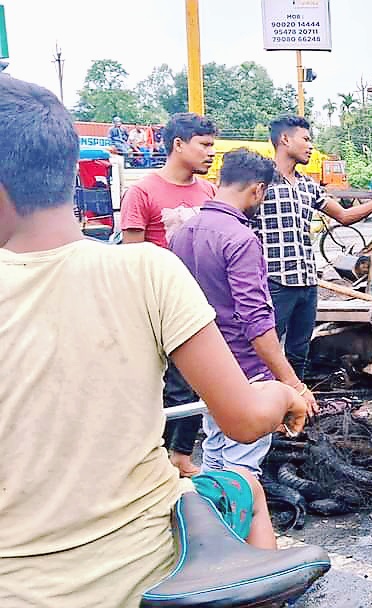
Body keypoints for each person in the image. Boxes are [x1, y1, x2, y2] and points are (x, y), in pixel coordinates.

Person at [0, 74, 307, 607]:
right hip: (145, 567)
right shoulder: (148, 270)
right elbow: (243, 413)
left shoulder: (182, 232)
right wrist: (285, 392)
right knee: (244, 485)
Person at [170, 148, 319, 478]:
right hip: (245, 372)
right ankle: (236, 528)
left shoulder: (183, 233)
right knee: (241, 466)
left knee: (215, 448)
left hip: (205, 369)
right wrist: (291, 383)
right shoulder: (240, 238)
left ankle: (213, 521)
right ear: (258, 190)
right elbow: (256, 322)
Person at [256, 115, 372, 381]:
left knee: (298, 352)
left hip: (307, 284)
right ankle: (264, 412)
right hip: (273, 282)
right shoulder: (261, 181)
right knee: (266, 352)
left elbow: (344, 216)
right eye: (306, 139)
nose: (310, 146)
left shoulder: (308, 186)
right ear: (285, 139)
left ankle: (293, 408)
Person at [121, 111, 219, 477]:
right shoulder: (142, 192)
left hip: (201, 303)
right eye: (205, 145)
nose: (211, 153)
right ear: (178, 145)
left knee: (198, 382)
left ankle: (181, 455)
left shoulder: (208, 191)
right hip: (158, 305)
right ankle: (156, 458)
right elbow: (131, 260)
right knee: (169, 386)